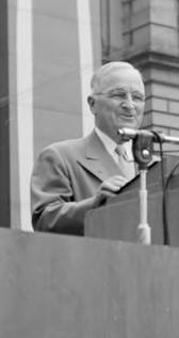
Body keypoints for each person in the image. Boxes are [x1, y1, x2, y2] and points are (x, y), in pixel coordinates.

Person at [30, 60, 145, 235]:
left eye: (137, 97)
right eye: (119, 95)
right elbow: (44, 219)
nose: (130, 105)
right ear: (92, 104)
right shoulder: (60, 157)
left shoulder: (152, 164)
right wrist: (94, 205)